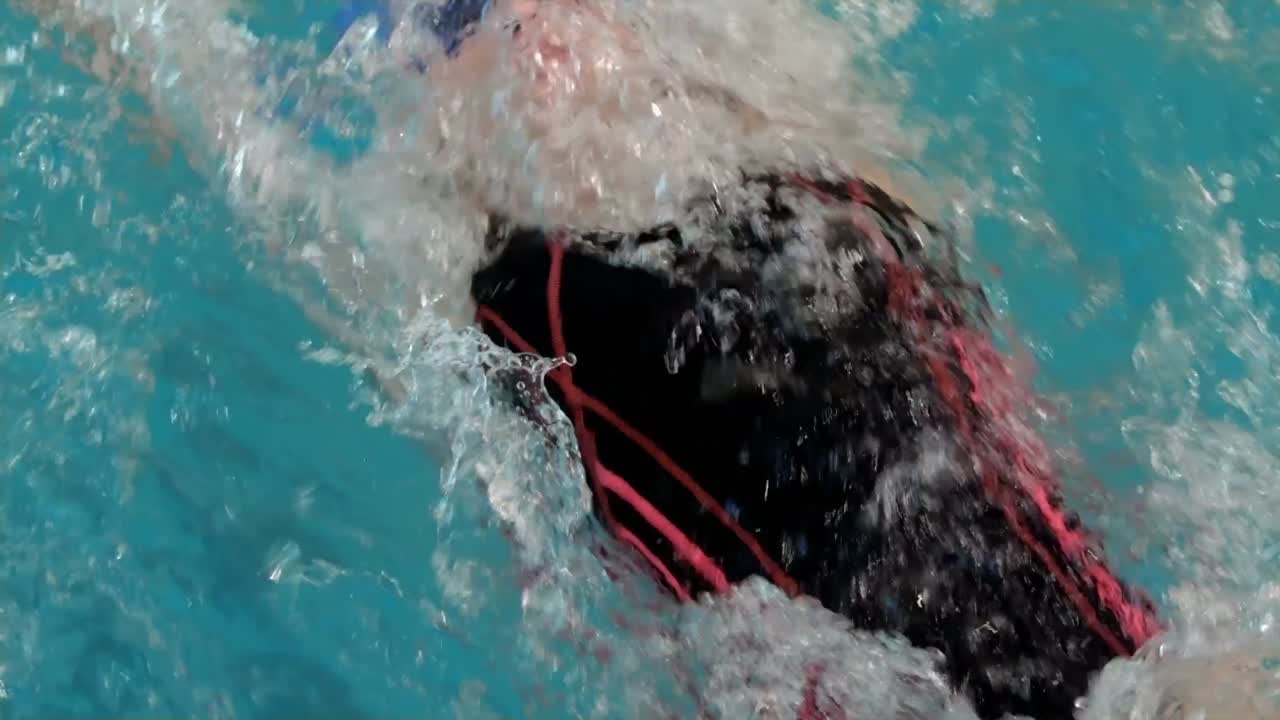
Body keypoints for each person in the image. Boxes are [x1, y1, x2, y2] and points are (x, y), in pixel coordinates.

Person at [337, 1, 1275, 718]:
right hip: (803, 219)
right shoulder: (511, 273)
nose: (549, 41)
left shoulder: (496, 284)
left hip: (621, 261)